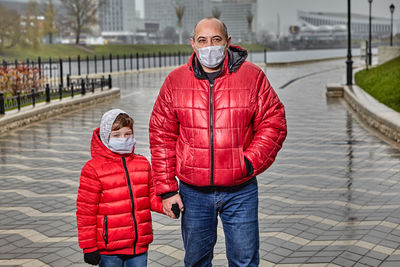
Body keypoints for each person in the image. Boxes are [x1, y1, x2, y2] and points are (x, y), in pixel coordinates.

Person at [149, 17, 287, 266]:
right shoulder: (175, 81)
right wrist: (167, 189)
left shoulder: (252, 77)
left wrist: (248, 162)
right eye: (202, 40)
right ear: (193, 44)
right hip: (193, 192)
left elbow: (273, 122)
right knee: (196, 261)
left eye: (216, 40)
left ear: (227, 42)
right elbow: (161, 136)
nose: (209, 46)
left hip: (241, 190)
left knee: (244, 260)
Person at [76, 109, 164, 266]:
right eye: (116, 135)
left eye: (127, 134)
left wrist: (166, 205)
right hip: (109, 248)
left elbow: (150, 196)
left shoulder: (142, 164)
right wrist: (88, 247)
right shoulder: (93, 169)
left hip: (138, 246)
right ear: (105, 137)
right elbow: (85, 212)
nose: (123, 139)